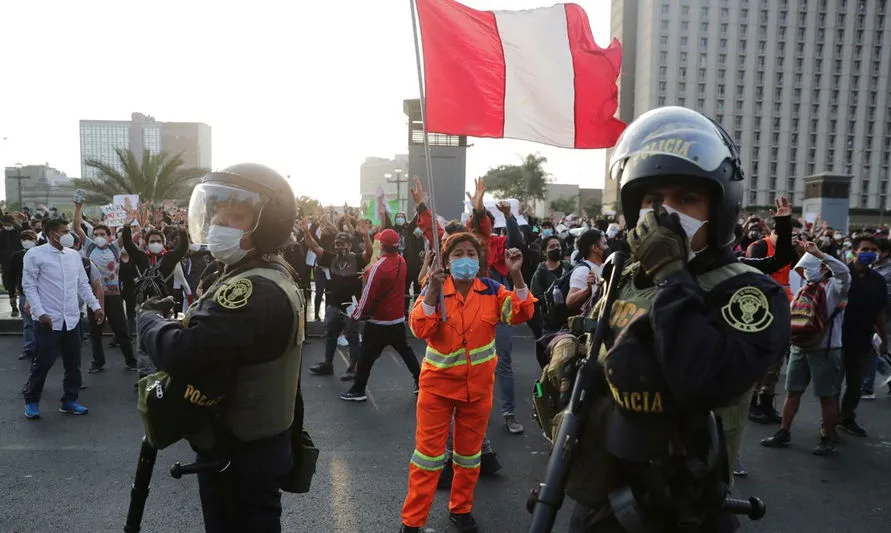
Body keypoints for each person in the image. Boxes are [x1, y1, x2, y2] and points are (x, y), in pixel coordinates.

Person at [565, 107, 790, 532]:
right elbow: (597, 341)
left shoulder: (750, 293)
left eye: (686, 198)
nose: (665, 214)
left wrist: (673, 276)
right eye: (653, 200)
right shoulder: (625, 274)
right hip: (601, 487)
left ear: (719, 208)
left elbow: (704, 380)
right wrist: (563, 349)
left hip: (685, 505)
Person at [137, 163, 306, 533]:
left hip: (239, 452)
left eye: (236, 216)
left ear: (268, 224)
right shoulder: (271, 272)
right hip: (259, 444)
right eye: (218, 213)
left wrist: (148, 321)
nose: (219, 223)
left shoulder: (253, 290)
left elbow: (183, 352)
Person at [399, 232, 535, 533]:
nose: (466, 259)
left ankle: (461, 509)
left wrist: (517, 276)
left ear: (480, 260)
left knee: (469, 457)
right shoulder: (434, 287)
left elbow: (520, 313)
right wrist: (433, 292)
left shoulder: (492, 289)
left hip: (477, 391)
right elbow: (420, 328)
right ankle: (412, 522)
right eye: (458, 254)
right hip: (437, 389)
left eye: (471, 254)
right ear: (447, 261)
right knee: (427, 458)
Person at [761, 240, 849, 455]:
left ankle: (827, 437)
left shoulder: (834, 289)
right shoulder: (803, 290)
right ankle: (784, 431)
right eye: (802, 270)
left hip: (825, 350)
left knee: (826, 396)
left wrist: (820, 254)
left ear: (821, 268)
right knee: (793, 392)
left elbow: (844, 272)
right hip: (800, 348)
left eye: (808, 268)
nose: (805, 273)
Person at [22, 218, 105, 419]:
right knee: (43, 362)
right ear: (51, 233)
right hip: (47, 320)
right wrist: (40, 313)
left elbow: (83, 285)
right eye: (64, 231)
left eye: (69, 230)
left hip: (72, 319)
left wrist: (96, 306)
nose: (68, 234)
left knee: (73, 363)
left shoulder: (74, 256)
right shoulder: (35, 255)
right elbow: (30, 286)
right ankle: (32, 400)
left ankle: (69, 400)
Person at [341, 228, 422, 401]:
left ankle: (358, 390)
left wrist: (355, 315)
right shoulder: (401, 261)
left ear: (382, 246)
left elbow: (367, 297)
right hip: (397, 319)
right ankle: (421, 382)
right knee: (406, 352)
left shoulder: (377, 268)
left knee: (366, 358)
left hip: (378, 322)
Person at [300, 223, 372, 379]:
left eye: (343, 244)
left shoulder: (357, 259)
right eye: (337, 244)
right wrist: (306, 231)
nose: (340, 247)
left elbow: (369, 253)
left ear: (349, 245)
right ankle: (327, 364)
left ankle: (354, 368)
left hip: (351, 305)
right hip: (334, 303)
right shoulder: (330, 258)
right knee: (330, 333)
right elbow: (313, 246)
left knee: (352, 335)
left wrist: (366, 236)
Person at [8, 230, 38, 360]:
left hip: (42, 293)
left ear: (36, 240)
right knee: (28, 323)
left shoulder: (42, 254)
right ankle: (29, 348)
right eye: (24, 239)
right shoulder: (16, 256)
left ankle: (46, 347)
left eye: (30, 238)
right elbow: (11, 276)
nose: (27, 241)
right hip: (24, 293)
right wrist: (12, 295)